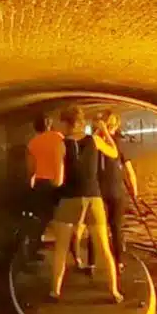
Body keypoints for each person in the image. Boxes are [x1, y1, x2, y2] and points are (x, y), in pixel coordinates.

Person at [50, 107, 122, 302]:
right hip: (93, 199)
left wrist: (49, 183)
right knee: (104, 248)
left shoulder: (61, 145)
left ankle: (55, 291)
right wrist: (105, 131)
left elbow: (58, 181)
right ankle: (114, 291)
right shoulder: (95, 140)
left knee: (61, 249)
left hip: (70, 199)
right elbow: (114, 153)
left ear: (66, 123)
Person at [96, 110, 138, 273]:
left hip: (99, 191)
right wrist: (134, 191)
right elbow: (129, 171)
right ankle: (119, 261)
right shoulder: (120, 144)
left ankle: (92, 262)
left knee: (97, 227)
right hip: (117, 192)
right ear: (116, 126)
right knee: (117, 227)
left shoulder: (95, 142)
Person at [24, 113, 64, 258]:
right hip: (57, 182)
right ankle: (66, 249)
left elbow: (30, 168)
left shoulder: (32, 143)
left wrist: (30, 185)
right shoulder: (58, 137)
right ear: (49, 124)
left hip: (40, 183)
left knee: (41, 218)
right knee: (61, 219)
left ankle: (33, 248)